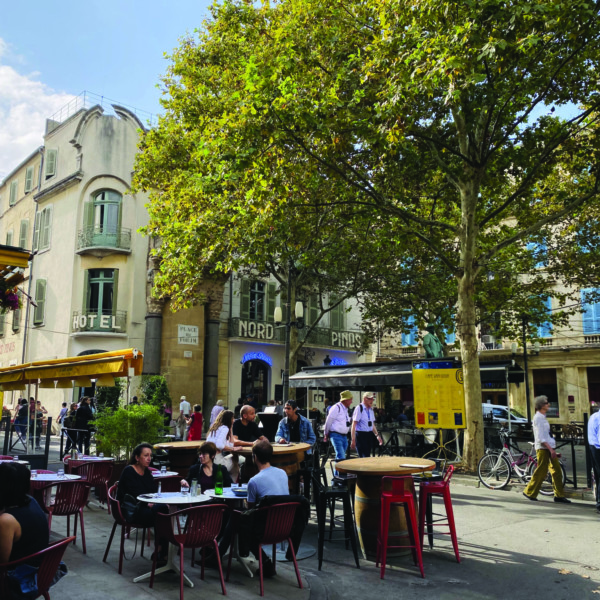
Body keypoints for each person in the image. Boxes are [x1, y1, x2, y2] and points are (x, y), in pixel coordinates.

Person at [116, 443, 172, 565]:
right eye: (145, 455)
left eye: (150, 455)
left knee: (162, 511)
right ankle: (163, 551)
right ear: (137, 457)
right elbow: (134, 493)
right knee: (162, 515)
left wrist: (154, 502)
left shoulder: (147, 472)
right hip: (131, 510)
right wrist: (149, 503)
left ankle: (162, 550)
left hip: (145, 508)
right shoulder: (129, 471)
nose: (149, 458)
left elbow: (152, 490)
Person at [245, 440, 290, 577]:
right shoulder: (283, 473)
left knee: (238, 522)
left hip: (265, 531)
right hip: (286, 527)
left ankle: (264, 561)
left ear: (255, 457)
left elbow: (250, 510)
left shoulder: (254, 481)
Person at [0, 462, 49, 568]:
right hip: (38, 569)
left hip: (18, 577)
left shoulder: (6, 520)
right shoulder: (31, 501)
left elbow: (2, 562)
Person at [523, 396, 571, 503]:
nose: (548, 404)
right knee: (542, 470)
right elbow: (540, 437)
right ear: (541, 406)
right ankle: (529, 491)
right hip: (543, 448)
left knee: (556, 471)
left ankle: (559, 495)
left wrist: (552, 449)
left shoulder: (543, 417)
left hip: (548, 448)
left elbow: (546, 436)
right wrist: (551, 449)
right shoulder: (538, 418)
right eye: (546, 403)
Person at [206, 410, 245, 481]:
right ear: (229, 419)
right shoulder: (224, 428)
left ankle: (231, 481)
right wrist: (233, 449)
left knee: (237, 459)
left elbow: (230, 445)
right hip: (217, 460)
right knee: (239, 460)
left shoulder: (216, 428)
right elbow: (219, 445)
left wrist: (230, 431)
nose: (234, 420)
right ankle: (233, 482)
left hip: (211, 459)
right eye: (233, 418)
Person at [323, 390, 353, 463]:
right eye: (350, 400)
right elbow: (328, 421)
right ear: (345, 400)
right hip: (336, 434)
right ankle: (341, 474)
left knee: (340, 456)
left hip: (344, 436)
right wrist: (326, 433)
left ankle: (337, 473)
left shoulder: (345, 409)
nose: (351, 402)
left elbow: (345, 421)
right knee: (341, 456)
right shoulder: (336, 408)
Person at [351, 392, 383, 458]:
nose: (372, 401)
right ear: (365, 399)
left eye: (372, 399)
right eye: (370, 399)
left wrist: (377, 435)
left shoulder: (371, 409)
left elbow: (372, 424)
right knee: (363, 457)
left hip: (369, 434)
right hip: (361, 435)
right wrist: (353, 439)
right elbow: (354, 424)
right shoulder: (359, 408)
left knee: (367, 456)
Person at [588, 409, 600, 514]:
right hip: (598, 448)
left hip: (592, 447)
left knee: (598, 476)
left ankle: (598, 502)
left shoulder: (593, 416)